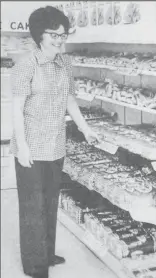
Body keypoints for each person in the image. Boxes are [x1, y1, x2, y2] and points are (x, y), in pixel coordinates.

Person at [10, 6, 99, 278]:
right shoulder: (26, 65)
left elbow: (69, 100)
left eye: (64, 34)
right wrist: (22, 147)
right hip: (32, 146)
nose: (60, 40)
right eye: (54, 34)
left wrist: (85, 128)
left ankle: (47, 253)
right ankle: (35, 266)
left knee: (50, 203)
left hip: (55, 145)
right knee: (32, 206)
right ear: (40, 35)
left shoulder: (65, 64)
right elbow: (16, 108)